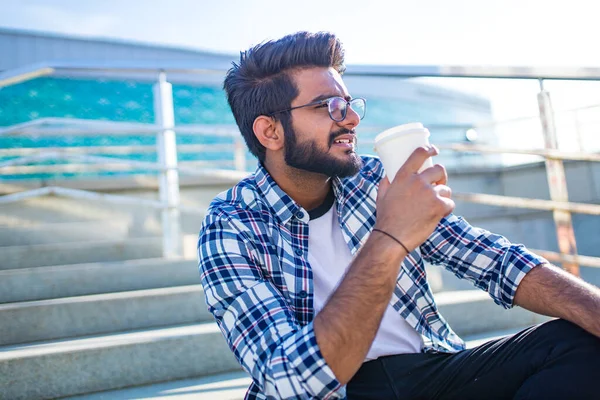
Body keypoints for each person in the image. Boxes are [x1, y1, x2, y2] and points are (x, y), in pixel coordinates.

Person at [197, 31, 600, 400]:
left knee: (577, 341)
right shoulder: (230, 225)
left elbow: (494, 261)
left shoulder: (375, 178)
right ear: (270, 132)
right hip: (334, 393)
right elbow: (290, 381)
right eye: (328, 107)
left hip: (429, 373)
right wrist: (389, 235)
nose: (351, 118)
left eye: (349, 104)